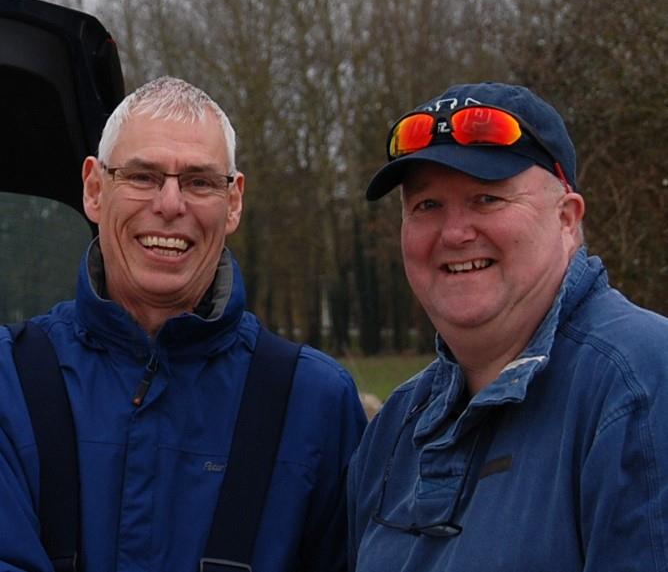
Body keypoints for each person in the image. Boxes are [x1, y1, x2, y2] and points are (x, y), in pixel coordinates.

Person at [0, 76, 367, 572]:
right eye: (142, 176)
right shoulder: (9, 382)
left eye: (199, 182)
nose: (171, 205)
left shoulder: (316, 402)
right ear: (94, 190)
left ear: (233, 201)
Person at [347, 82, 668, 571]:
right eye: (427, 206)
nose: (455, 233)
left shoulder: (639, 387)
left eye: (487, 199)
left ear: (567, 218)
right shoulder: (396, 427)